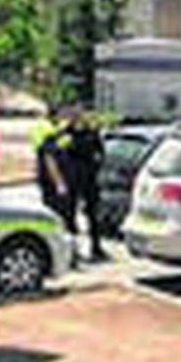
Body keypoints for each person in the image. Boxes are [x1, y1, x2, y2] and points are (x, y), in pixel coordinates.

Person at [64, 109, 108, 263]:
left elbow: (101, 153)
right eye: (74, 117)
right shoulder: (65, 134)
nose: (77, 120)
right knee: (69, 216)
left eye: (80, 117)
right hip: (72, 181)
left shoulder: (92, 133)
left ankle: (96, 248)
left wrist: (96, 165)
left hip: (90, 180)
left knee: (93, 215)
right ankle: (72, 252)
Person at [35, 110, 76, 248]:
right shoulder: (48, 133)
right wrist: (60, 184)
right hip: (53, 186)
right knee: (59, 217)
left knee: (60, 217)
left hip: (50, 184)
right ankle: (60, 248)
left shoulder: (52, 132)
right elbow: (50, 160)